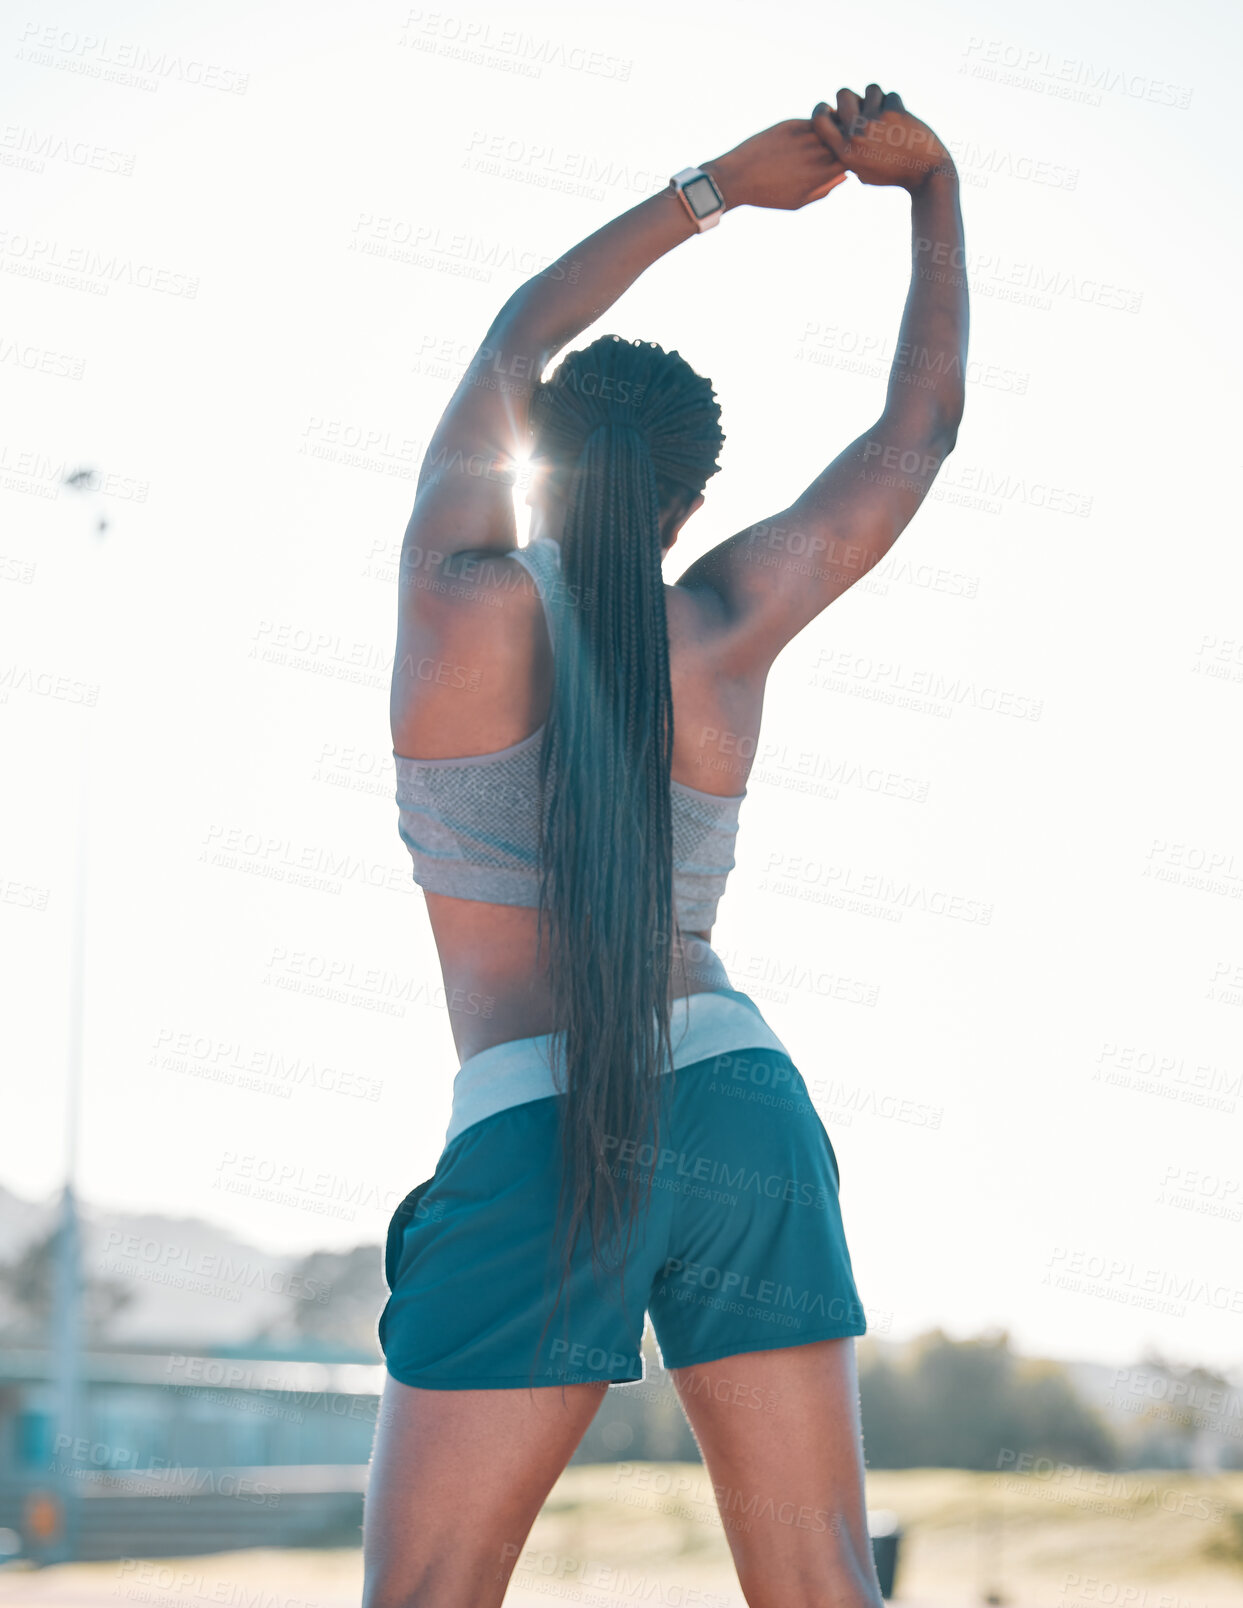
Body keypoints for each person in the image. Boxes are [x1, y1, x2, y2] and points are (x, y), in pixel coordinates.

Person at [365, 83, 968, 1608]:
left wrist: (714, 192)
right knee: (826, 1588)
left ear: (536, 466)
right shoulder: (728, 625)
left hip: (542, 1132)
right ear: (696, 497)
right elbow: (917, 437)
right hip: (741, 1108)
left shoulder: (454, 591)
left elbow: (516, 336)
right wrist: (933, 191)